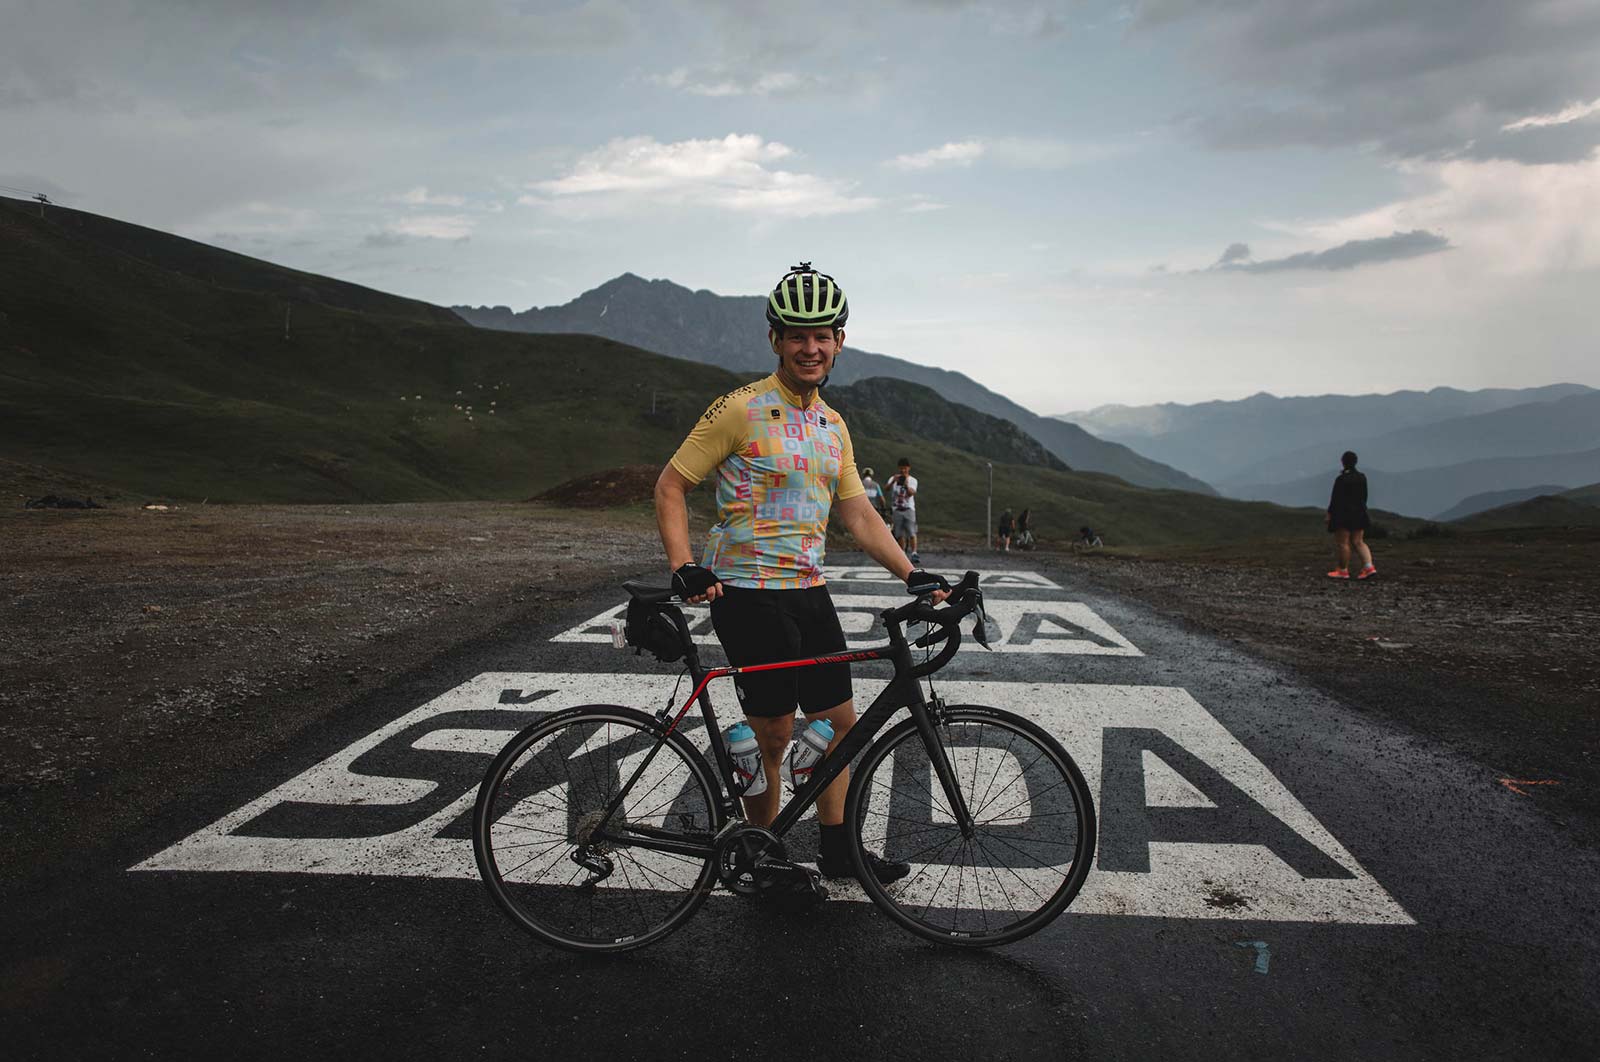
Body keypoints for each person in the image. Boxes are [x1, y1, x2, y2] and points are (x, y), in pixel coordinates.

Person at [653, 262, 946, 888]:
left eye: (822, 335)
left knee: (839, 725)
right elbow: (671, 484)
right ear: (775, 340)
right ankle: (763, 857)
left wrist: (912, 574)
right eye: (796, 335)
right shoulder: (740, 409)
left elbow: (858, 514)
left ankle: (838, 850)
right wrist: (684, 567)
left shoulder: (831, 424)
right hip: (749, 595)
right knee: (777, 735)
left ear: (839, 340)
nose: (809, 348)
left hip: (809, 591)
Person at [1326, 450, 1375, 580]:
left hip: (1343, 515)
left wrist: (1330, 514)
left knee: (1343, 543)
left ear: (1343, 462)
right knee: (1359, 542)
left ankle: (1343, 570)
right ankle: (1369, 567)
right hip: (1359, 513)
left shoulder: (1341, 479)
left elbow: (1335, 499)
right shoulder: (1362, 477)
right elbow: (1364, 496)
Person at [888, 457, 920, 563]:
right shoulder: (894, 478)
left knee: (911, 531)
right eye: (901, 468)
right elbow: (886, 488)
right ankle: (902, 553)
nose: (903, 470)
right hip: (897, 508)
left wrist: (906, 484)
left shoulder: (912, 480)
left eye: (905, 468)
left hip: (909, 508)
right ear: (898, 468)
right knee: (899, 533)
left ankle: (914, 552)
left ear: (908, 468)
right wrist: (893, 481)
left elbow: (912, 493)